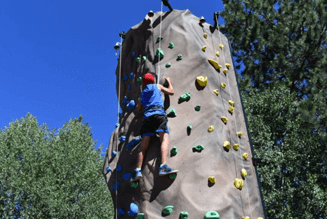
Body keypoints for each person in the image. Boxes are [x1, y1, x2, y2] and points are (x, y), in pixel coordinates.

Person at [131, 73, 178, 182]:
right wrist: (169, 82)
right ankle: (163, 166)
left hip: (147, 117)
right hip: (158, 115)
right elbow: (171, 92)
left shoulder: (142, 94)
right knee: (164, 138)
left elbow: (139, 109)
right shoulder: (157, 86)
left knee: (143, 146)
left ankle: (138, 170)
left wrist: (139, 101)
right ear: (153, 80)